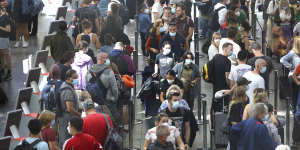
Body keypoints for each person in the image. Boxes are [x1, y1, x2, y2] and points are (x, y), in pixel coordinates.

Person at [86, 52, 120, 127]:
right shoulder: (109, 71)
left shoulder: (90, 71)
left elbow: (87, 85)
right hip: (107, 102)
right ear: (103, 60)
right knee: (112, 122)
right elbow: (114, 88)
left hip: (93, 102)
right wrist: (115, 98)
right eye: (107, 58)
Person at [58, 69, 81, 147]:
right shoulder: (67, 89)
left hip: (68, 116)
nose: (76, 79)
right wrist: (79, 114)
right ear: (69, 78)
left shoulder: (68, 86)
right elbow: (69, 108)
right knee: (65, 137)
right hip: (67, 117)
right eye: (75, 78)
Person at [211, 43, 232, 112]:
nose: (232, 51)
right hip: (223, 87)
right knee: (223, 105)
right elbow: (226, 76)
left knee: (214, 103)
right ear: (225, 49)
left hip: (215, 84)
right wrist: (229, 86)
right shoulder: (228, 62)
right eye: (231, 49)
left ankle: (213, 119)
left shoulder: (216, 56)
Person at [280, 36, 300, 111]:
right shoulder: (292, 53)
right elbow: (282, 60)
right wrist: (290, 66)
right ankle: (294, 109)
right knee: (294, 95)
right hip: (293, 76)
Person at [228, 85, 248, 150]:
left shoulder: (236, 104)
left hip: (235, 132)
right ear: (243, 95)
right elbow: (232, 121)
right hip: (237, 133)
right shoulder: (236, 105)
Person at [0, 6, 11, 81]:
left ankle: (9, 73)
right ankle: (2, 70)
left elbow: (8, 29)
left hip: (4, 39)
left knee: (6, 56)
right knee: (1, 56)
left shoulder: (5, 17)